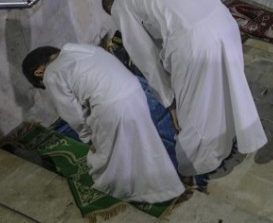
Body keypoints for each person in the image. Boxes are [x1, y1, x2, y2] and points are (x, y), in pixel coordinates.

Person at [102, 0, 267, 179]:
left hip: (194, 42)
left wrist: (169, 102)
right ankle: (228, 138)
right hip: (223, 20)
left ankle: (200, 162)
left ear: (111, 8)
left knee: (193, 109)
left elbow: (146, 59)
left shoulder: (119, 6)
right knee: (225, 88)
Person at [21, 44, 186, 203]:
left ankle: (137, 191)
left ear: (39, 72)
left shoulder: (51, 73)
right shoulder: (84, 49)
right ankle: (165, 184)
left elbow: (72, 113)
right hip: (135, 92)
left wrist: (88, 138)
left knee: (105, 161)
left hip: (112, 107)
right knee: (143, 141)